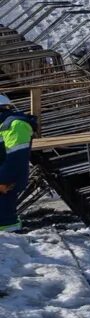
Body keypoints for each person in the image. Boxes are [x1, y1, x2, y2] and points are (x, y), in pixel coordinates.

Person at [0, 94, 38, 234]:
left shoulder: (14, 125)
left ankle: (11, 233)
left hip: (8, 178)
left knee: (4, 213)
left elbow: (16, 160)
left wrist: (2, 180)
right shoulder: (4, 124)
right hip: (6, 175)